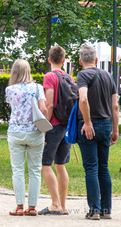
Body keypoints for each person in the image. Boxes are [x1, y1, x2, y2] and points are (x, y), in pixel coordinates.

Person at [76, 45, 119, 220]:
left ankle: (94, 210)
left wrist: (87, 122)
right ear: (95, 60)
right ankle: (107, 210)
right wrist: (115, 129)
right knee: (103, 168)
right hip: (106, 125)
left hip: (89, 126)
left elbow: (83, 98)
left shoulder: (82, 75)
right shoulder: (108, 76)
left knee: (91, 169)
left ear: (80, 61)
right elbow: (115, 106)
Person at [5, 59, 47, 216]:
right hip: (35, 131)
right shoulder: (37, 87)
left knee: (17, 170)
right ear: (28, 71)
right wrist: (44, 129)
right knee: (35, 170)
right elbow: (43, 108)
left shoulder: (9, 89)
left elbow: (13, 107)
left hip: (15, 132)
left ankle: (19, 206)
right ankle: (32, 207)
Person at [38, 46, 74, 215]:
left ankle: (55, 204)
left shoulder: (49, 77)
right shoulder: (69, 78)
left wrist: (44, 128)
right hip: (67, 126)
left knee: (45, 165)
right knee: (60, 165)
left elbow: (49, 105)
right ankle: (63, 206)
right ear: (64, 60)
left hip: (53, 126)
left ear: (49, 59)